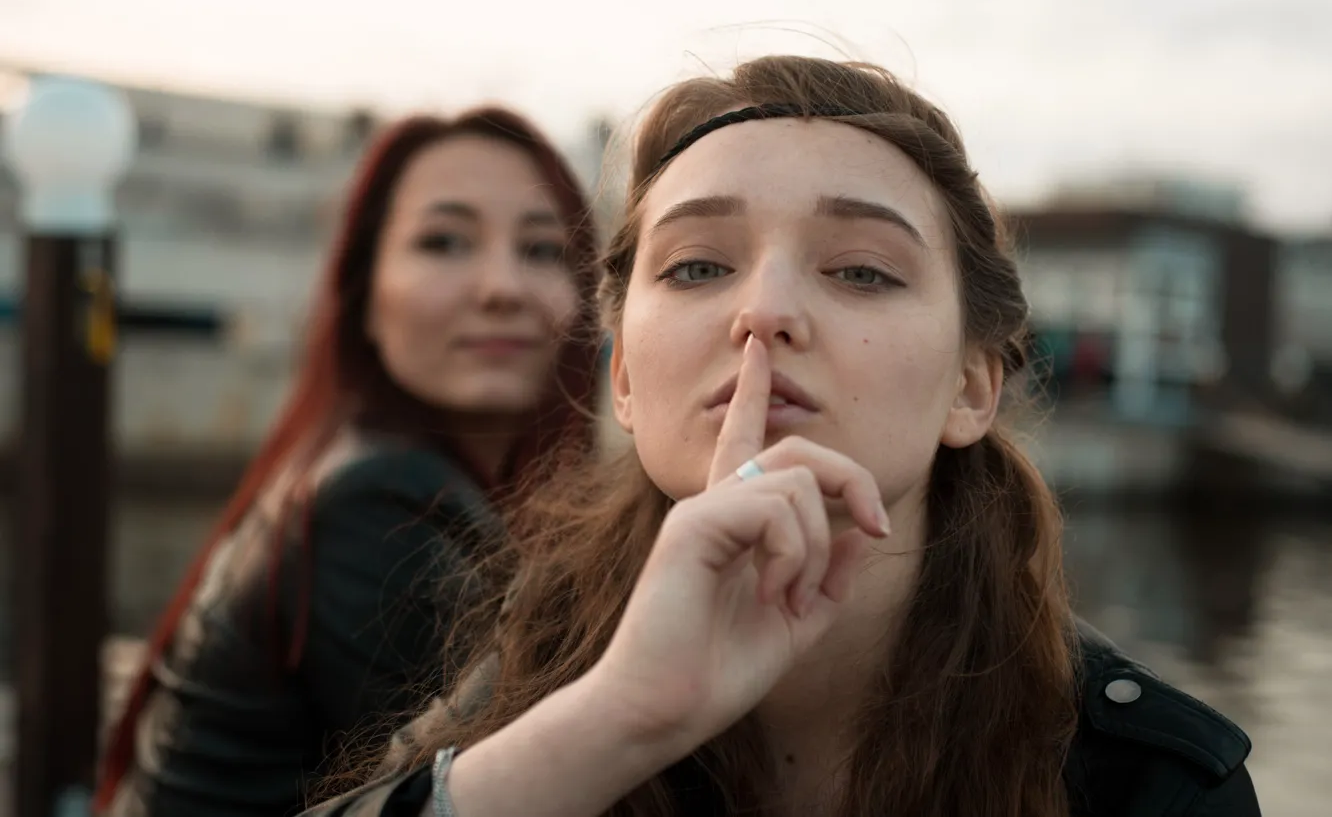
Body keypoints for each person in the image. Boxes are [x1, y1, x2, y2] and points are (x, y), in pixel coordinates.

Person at [300, 56, 1261, 817]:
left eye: (862, 272)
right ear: (625, 379)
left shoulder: (1151, 782)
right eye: (697, 265)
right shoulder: (543, 662)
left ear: (972, 386)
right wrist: (621, 722)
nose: (763, 313)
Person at [94, 109, 603, 816]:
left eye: (544, 250)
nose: (501, 287)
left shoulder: (374, 477)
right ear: (364, 299)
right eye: (445, 242)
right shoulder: (375, 507)